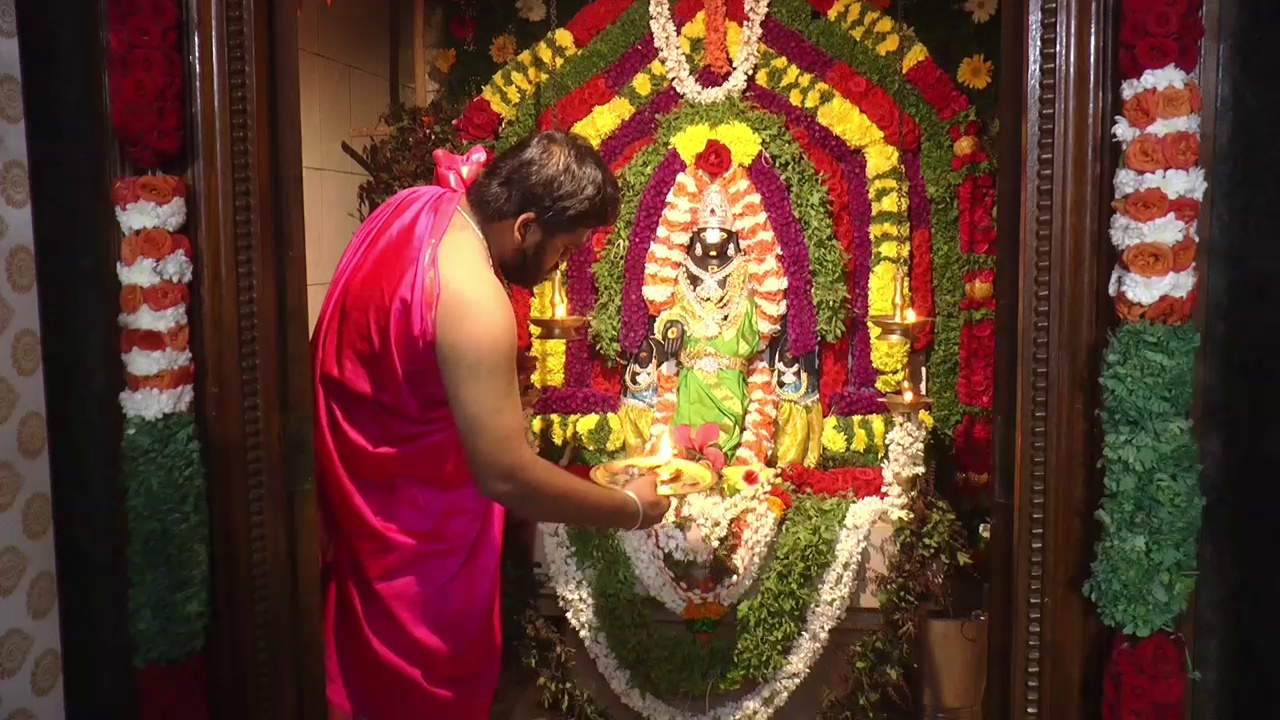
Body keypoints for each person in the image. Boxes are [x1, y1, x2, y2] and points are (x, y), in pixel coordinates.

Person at [312, 131, 672, 720]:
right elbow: (505, 476)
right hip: (416, 559)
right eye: (564, 249)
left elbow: (397, 352)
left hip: (359, 518)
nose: (560, 267)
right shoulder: (477, 302)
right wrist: (628, 508)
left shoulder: (413, 207)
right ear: (526, 226)